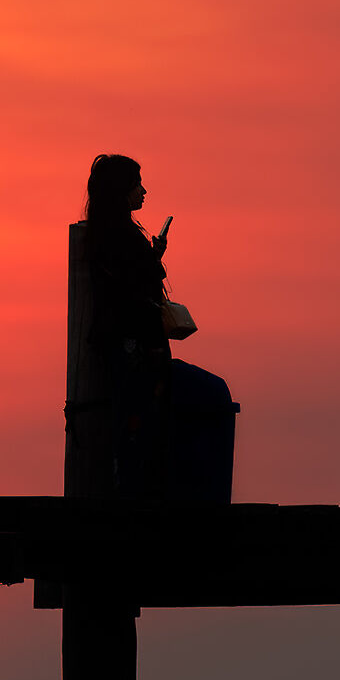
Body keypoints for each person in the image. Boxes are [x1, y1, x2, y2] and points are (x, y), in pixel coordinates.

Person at [80, 154, 232, 500]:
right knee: (141, 427)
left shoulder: (105, 236)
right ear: (122, 190)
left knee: (131, 427)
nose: (143, 191)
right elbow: (134, 294)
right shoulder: (123, 238)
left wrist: (153, 257)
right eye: (137, 183)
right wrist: (151, 262)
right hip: (137, 348)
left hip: (126, 347)